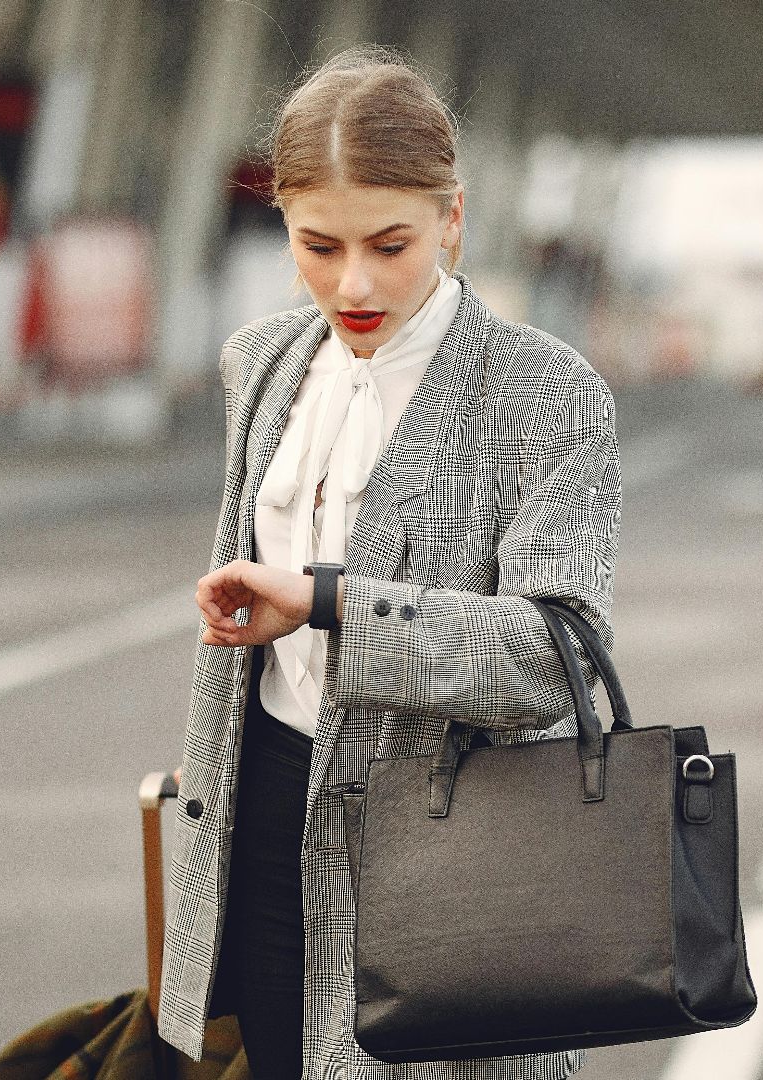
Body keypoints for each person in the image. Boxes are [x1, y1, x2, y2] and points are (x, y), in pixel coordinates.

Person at [159, 46, 621, 1080]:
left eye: (391, 243)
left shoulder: (545, 394)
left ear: (453, 219)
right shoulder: (264, 364)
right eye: (318, 245)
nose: (354, 282)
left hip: (455, 843)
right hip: (267, 821)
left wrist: (329, 604)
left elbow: (561, 657)